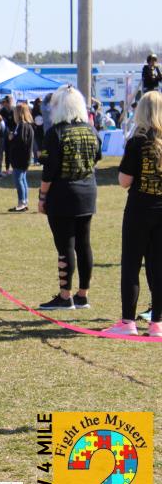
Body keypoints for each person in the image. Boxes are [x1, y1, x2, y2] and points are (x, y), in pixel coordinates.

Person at [37, 86, 100, 311]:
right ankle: (82, 295)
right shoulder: (91, 130)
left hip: (62, 194)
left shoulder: (55, 133)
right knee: (84, 244)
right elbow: (97, 158)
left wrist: (42, 196)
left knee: (65, 245)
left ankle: (65, 296)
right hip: (87, 191)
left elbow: (49, 170)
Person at [105, 91, 162, 336]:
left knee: (131, 264)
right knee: (158, 267)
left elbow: (124, 181)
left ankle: (128, 321)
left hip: (140, 209)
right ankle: (157, 323)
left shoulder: (137, 141)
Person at [7, 101, 35, 212]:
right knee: (22, 179)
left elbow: (21, 141)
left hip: (20, 158)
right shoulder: (26, 125)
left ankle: (22, 202)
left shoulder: (22, 126)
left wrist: (12, 138)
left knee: (18, 179)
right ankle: (24, 201)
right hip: (24, 157)